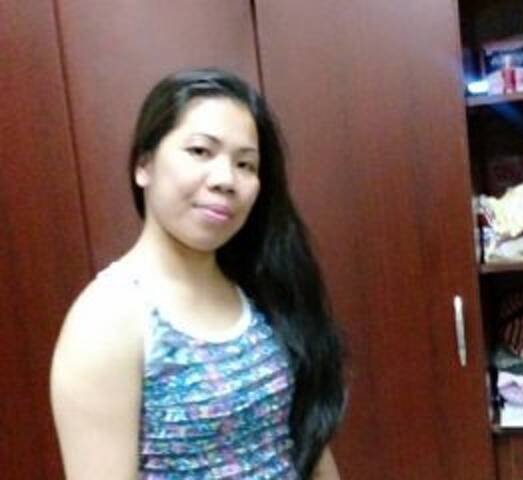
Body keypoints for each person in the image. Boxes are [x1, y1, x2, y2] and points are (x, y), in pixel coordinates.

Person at [50, 67, 346, 479]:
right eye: (200, 151)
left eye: (245, 164)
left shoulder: (259, 287)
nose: (226, 180)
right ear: (144, 165)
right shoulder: (108, 319)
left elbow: (307, 443)